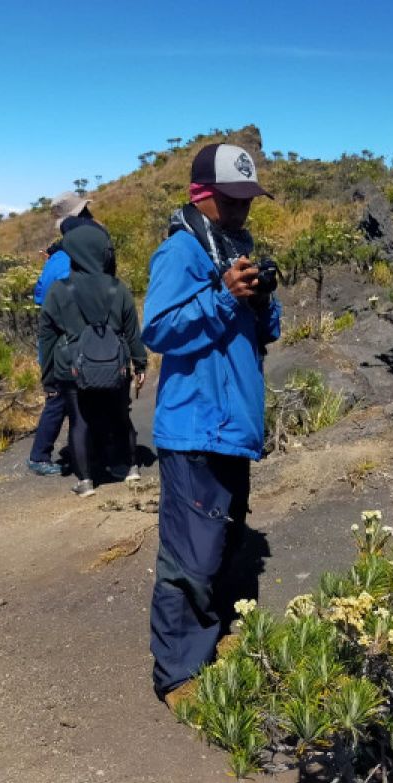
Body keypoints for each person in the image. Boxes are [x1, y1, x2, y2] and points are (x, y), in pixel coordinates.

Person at [141, 143, 281, 703]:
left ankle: (210, 642)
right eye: (232, 199)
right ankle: (177, 674)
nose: (243, 209)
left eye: (248, 198)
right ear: (202, 194)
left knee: (221, 544)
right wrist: (224, 297)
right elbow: (160, 329)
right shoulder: (180, 252)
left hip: (230, 427)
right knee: (189, 558)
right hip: (195, 428)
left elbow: (261, 335)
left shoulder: (235, 249)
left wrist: (260, 299)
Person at [38, 224, 147, 497]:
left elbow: (47, 336)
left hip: (72, 368)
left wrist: (48, 376)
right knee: (121, 417)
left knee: (79, 421)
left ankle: (86, 481)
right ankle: (129, 467)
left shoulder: (58, 291)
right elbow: (132, 330)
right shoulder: (118, 288)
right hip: (115, 365)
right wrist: (140, 364)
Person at [28, 192, 102, 476]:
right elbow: (50, 301)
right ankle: (39, 456)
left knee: (70, 398)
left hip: (66, 340)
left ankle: (73, 451)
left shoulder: (59, 256)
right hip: (64, 342)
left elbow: (39, 295)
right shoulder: (66, 258)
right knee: (60, 398)